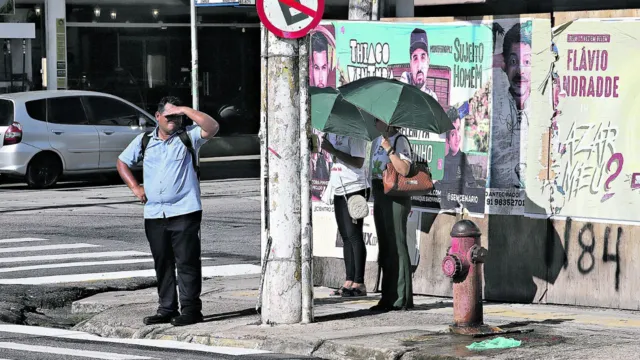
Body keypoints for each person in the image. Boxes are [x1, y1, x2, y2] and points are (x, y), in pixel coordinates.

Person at [116, 96, 219, 327]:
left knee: (187, 262)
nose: (174, 120)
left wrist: (183, 109)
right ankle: (166, 308)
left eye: (178, 117)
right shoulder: (144, 140)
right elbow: (122, 162)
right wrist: (136, 188)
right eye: (170, 116)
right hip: (154, 214)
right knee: (162, 262)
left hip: (184, 211)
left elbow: (212, 126)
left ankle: (191, 310)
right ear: (158, 117)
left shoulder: (188, 136)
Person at [369, 121, 414, 311]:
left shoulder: (400, 141)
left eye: (378, 118)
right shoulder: (376, 140)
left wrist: (389, 149)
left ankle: (402, 297)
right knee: (386, 245)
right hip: (380, 192)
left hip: (395, 194)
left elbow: (405, 170)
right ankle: (387, 296)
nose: (375, 121)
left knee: (397, 242)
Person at [321, 133, 370, 297]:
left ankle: (359, 281)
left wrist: (333, 150)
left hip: (354, 187)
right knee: (345, 236)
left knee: (354, 235)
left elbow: (358, 162)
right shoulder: (333, 134)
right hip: (339, 187)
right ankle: (349, 280)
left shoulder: (355, 134)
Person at [491, 22, 532, 188]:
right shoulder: (494, 108)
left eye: (527, 62)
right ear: (505, 64)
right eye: (514, 61)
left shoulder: (545, 109)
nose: (520, 71)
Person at [400, 28, 439, 101]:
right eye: (415, 58)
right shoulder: (405, 80)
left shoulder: (432, 98)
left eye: (423, 57)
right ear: (410, 64)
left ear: (428, 62)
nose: (419, 66)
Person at [442, 107, 476, 188]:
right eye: (453, 134)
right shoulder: (440, 159)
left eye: (458, 129)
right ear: (447, 139)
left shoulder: (462, 157)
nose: (458, 137)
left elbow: (473, 186)